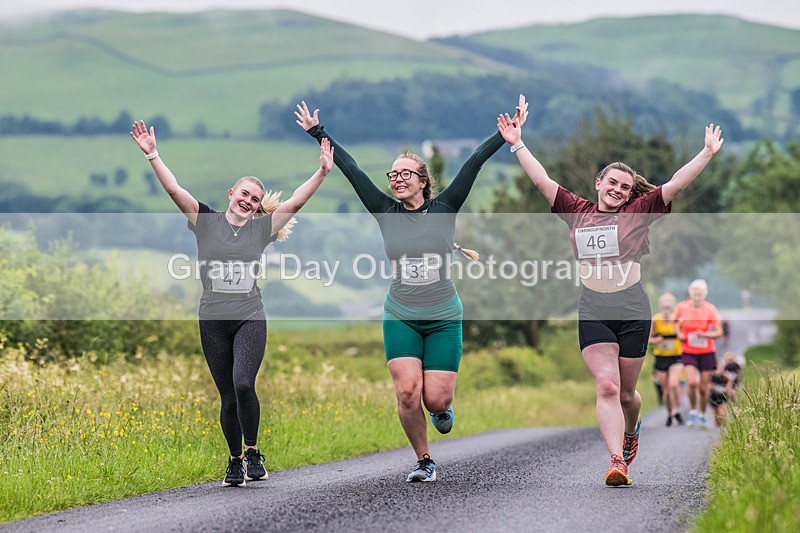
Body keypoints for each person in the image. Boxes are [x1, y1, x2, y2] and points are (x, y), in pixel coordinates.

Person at [497, 96, 723, 486]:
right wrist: (517, 143)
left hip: (633, 308)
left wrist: (705, 153)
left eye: (625, 186)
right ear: (598, 184)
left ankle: (632, 431)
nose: (618, 190)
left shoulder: (639, 212)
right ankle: (617, 460)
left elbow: (675, 184)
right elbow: (541, 180)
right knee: (606, 386)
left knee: (627, 395)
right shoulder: (576, 210)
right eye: (612, 183)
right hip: (594, 307)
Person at [295, 100, 512, 483]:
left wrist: (504, 137)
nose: (396, 179)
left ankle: (442, 410)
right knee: (409, 393)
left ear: (423, 181)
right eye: (392, 174)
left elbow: (473, 163)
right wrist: (319, 132)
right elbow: (352, 170)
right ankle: (424, 460)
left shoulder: (445, 207)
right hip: (401, 313)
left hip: (444, 315)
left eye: (405, 173)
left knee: (435, 399)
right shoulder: (384, 210)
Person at [130, 120, 333, 486]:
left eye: (255, 199)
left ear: (257, 208)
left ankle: (253, 451)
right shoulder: (205, 221)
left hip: (249, 316)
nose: (248, 201)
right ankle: (235, 460)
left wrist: (321, 172)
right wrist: (153, 155)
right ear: (231, 193)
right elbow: (175, 190)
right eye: (244, 194)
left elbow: (296, 201)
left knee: (243, 384)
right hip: (212, 319)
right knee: (226, 397)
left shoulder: (261, 229)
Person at [675, 279, 723, 430]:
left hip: (706, 351)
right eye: (695, 293)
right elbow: (675, 322)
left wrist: (706, 334)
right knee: (692, 382)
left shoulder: (710, 309)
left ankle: (702, 414)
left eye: (700, 294)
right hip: (688, 350)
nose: (697, 296)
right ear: (690, 293)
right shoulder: (682, 307)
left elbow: (719, 331)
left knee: (703, 388)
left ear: (705, 295)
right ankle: (693, 411)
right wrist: (679, 334)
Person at [649, 292, 685, 426]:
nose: (666, 308)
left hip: (676, 356)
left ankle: (676, 408)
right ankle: (671, 414)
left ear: (673, 306)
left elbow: (683, 335)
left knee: (673, 383)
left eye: (669, 306)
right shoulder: (655, 319)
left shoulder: (678, 319)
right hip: (661, 357)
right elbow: (649, 338)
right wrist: (656, 339)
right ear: (661, 306)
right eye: (664, 306)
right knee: (666, 391)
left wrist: (678, 332)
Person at [709, 351, 742, 427]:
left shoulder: (728, 372)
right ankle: (718, 427)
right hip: (714, 395)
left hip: (723, 396)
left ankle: (723, 427)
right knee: (716, 414)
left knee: (722, 413)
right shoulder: (712, 374)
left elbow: (732, 380)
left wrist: (728, 387)